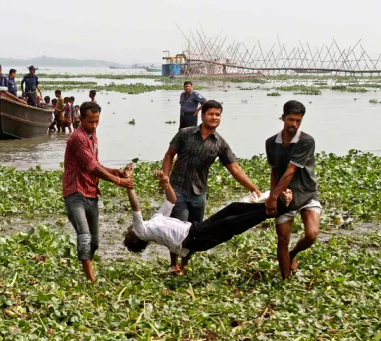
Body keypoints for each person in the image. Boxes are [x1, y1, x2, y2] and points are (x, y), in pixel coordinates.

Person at [162, 100, 262, 274]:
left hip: (199, 192)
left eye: (217, 115)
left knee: (195, 230)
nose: (214, 117)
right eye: (211, 114)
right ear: (202, 115)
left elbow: (234, 168)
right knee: (178, 227)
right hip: (177, 188)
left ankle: (184, 266)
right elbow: (169, 155)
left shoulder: (220, 144)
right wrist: (165, 178)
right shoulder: (185, 134)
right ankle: (173, 264)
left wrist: (253, 188)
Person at [123, 169, 292, 258]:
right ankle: (278, 208)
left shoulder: (154, 220)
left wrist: (166, 184)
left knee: (233, 209)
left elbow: (171, 201)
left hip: (195, 230)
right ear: (134, 235)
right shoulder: (142, 231)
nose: (129, 227)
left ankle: (272, 204)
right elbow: (136, 208)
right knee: (231, 224)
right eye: (128, 231)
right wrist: (129, 186)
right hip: (193, 238)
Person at [63, 101, 134, 282]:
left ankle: (86, 264)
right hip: (75, 193)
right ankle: (90, 279)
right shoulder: (77, 138)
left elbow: (96, 165)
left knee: (94, 241)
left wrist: (115, 171)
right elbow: (92, 167)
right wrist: (119, 181)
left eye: (96, 121)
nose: (94, 125)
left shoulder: (92, 137)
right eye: (90, 122)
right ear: (80, 119)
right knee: (84, 235)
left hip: (91, 192)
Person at [265, 100, 320, 280]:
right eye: (291, 120)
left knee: (311, 235)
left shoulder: (306, 141)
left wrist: (272, 198)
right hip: (284, 196)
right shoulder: (271, 143)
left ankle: (293, 254)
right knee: (282, 240)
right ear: (283, 118)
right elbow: (275, 171)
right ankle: (285, 279)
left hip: (307, 193)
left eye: (298, 120)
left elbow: (290, 171)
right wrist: (274, 196)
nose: (294, 124)